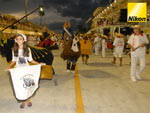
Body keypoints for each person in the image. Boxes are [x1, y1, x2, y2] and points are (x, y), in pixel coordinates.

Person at [5, 34, 44, 108]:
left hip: (26, 69)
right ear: (15, 40)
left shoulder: (27, 49)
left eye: (20, 39)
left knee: (27, 85)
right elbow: (13, 61)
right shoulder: (14, 50)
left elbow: (31, 60)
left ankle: (28, 100)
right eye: (17, 39)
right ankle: (23, 101)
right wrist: (8, 67)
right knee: (20, 86)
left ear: (24, 40)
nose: (19, 40)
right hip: (18, 70)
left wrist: (39, 64)